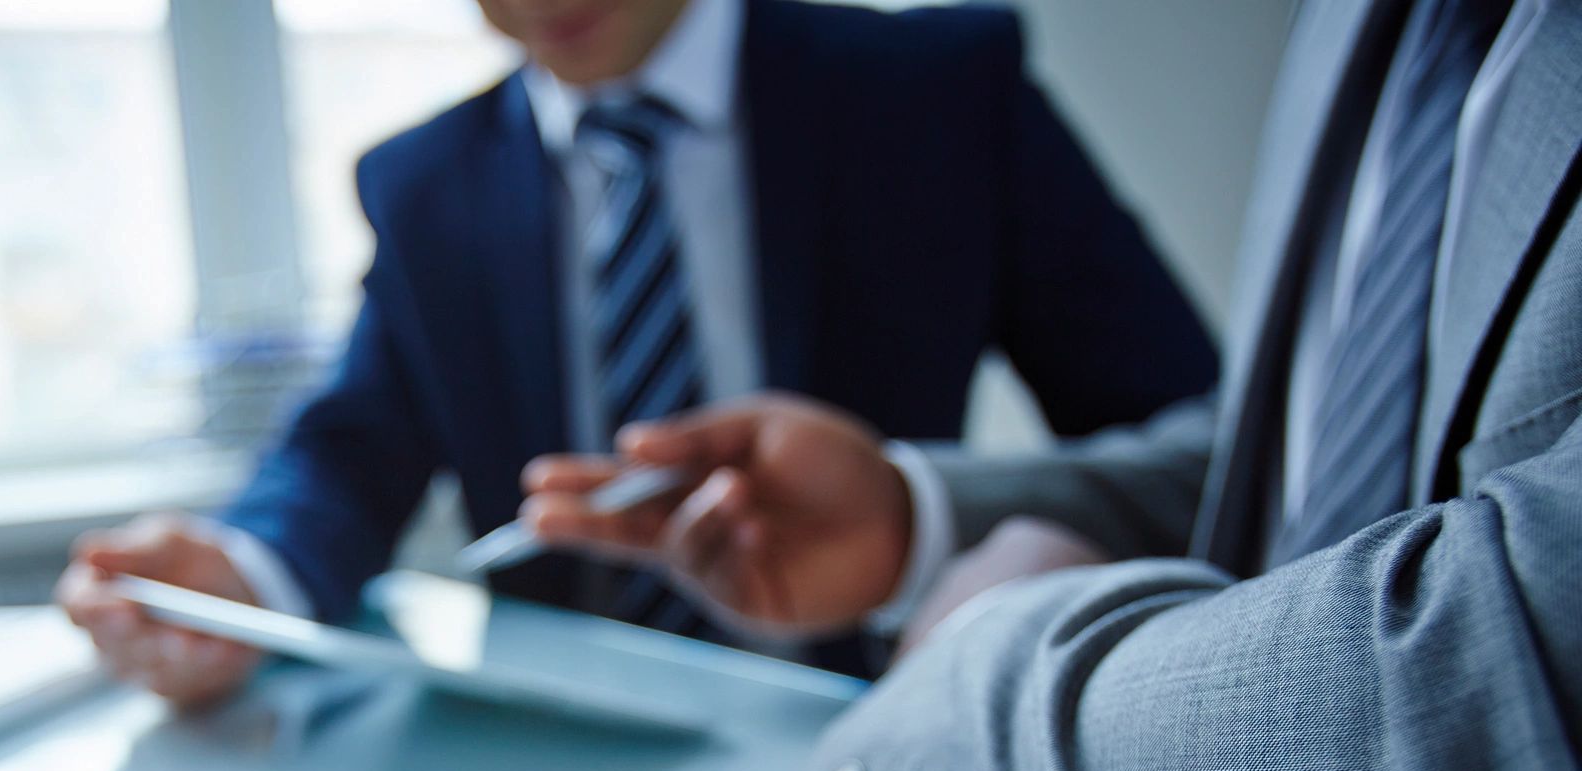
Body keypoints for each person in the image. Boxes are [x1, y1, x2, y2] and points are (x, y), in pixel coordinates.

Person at [525, 0, 1582, 771]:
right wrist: (919, 525)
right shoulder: (1359, 26)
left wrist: (969, 639)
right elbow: (1296, 461)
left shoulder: (934, 71)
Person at [59, 0, 1218, 703]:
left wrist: (937, 536)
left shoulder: (934, 95)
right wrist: (242, 573)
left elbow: (1205, 444)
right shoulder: (426, 185)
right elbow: (347, 451)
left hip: (888, 716)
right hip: (564, 766)